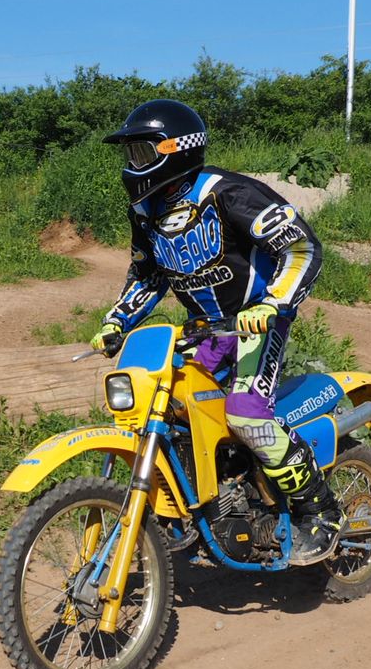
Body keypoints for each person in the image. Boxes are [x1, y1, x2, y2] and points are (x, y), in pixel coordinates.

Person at [92, 98, 342, 564]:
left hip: (256, 323)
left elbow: (301, 248)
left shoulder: (231, 193)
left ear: (176, 149)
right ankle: (203, 507)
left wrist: (272, 304)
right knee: (168, 407)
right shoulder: (145, 210)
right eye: (129, 154)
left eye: (141, 152)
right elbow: (148, 275)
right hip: (204, 332)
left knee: (246, 415)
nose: (133, 164)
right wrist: (116, 321)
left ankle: (320, 510)